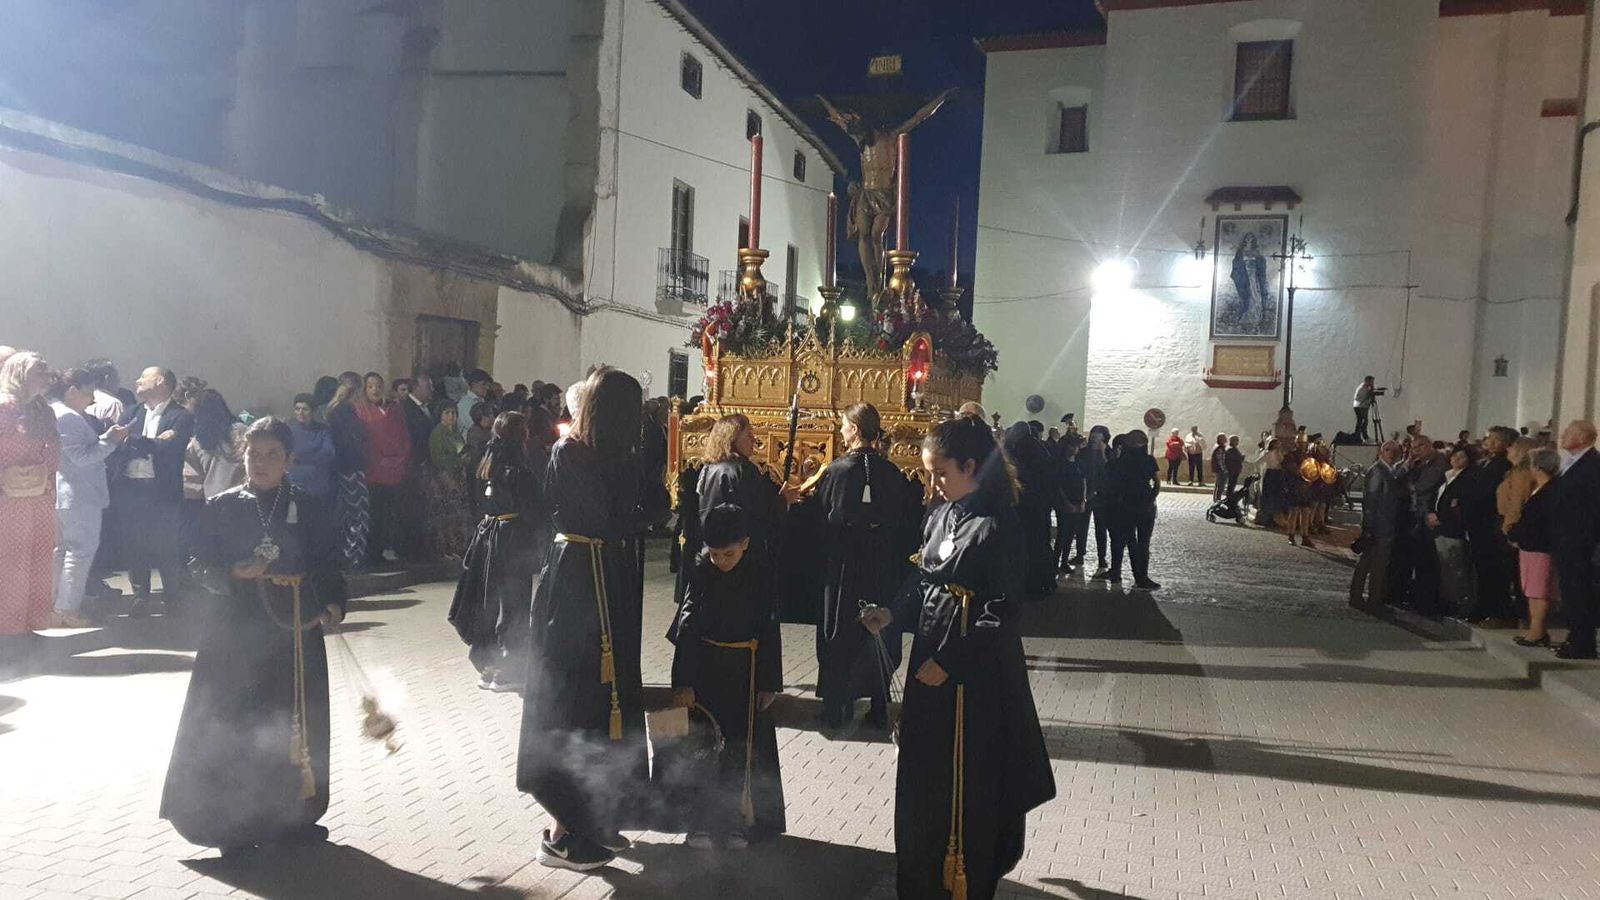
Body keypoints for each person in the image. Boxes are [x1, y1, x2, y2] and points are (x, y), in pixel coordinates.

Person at [881, 415, 1055, 900]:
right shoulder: (940, 514)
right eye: (929, 473)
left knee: (968, 778)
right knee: (924, 772)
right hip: (930, 661)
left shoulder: (1000, 524)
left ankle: (964, 876)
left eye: (941, 472)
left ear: (972, 466)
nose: (933, 484)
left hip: (975, 677)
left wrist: (952, 663)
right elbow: (922, 578)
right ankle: (920, 878)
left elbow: (1003, 611)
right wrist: (890, 614)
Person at [160, 417, 346, 852]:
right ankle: (232, 824)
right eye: (253, 454)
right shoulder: (222, 506)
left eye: (271, 455)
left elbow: (328, 562)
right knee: (238, 723)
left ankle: (290, 818)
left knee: (294, 722)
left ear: (289, 460)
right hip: (236, 634)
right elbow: (195, 565)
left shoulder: (310, 506)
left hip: (294, 629)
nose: (260, 463)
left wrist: (334, 602)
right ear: (241, 457)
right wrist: (231, 573)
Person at [517, 367, 667, 871]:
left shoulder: (617, 456)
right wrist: (645, 508)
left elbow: (641, 509)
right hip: (577, 582)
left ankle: (600, 816)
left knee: (609, 699)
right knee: (575, 699)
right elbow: (607, 518)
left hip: (608, 578)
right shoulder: (570, 453)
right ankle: (567, 831)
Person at [669, 504, 785, 848]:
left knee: (739, 747)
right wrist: (682, 681)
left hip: (746, 670)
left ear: (745, 543)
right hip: (705, 670)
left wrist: (769, 682)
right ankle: (700, 823)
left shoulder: (761, 572)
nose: (721, 561)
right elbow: (687, 625)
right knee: (703, 746)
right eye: (715, 553)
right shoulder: (700, 569)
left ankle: (737, 821)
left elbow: (770, 627)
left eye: (729, 554)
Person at [803, 403, 914, 730]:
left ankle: (837, 706)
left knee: (840, 630)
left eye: (843, 425)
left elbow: (823, 517)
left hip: (843, 566)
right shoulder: (891, 471)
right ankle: (879, 706)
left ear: (854, 429)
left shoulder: (837, 470)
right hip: (881, 563)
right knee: (878, 626)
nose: (840, 430)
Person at [450, 412, 540, 692]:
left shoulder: (487, 465)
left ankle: (488, 663)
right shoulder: (518, 472)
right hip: (512, 543)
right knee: (514, 606)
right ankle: (508, 669)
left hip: (488, 538)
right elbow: (533, 510)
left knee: (489, 601)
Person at [111, 366, 195, 617]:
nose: (137, 381)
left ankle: (171, 596)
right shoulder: (131, 412)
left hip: (162, 491)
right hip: (130, 487)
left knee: (166, 545)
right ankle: (140, 596)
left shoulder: (181, 416)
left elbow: (172, 449)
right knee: (134, 544)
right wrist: (153, 442)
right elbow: (116, 445)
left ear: (159, 381)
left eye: (143, 377)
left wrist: (135, 442)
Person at [51, 368, 130, 627]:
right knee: (80, 552)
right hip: (79, 494)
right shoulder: (69, 417)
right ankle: (66, 609)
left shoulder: (55, 412)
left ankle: (54, 606)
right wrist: (111, 440)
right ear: (72, 391)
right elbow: (82, 457)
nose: (92, 399)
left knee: (62, 552)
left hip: (65, 494)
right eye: (88, 393)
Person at [0, 353, 62, 636]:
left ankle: (31, 623)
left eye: (46, 371)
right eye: (38, 371)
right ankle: (8, 628)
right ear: (18, 373)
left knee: (39, 560)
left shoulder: (43, 410)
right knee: (11, 562)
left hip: (39, 496)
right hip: (7, 498)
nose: (46, 377)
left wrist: (48, 482)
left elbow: (54, 452)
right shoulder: (4, 408)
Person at [1551, 420, 1600, 659]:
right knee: (1570, 590)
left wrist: (1584, 536)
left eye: (1568, 432)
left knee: (1580, 590)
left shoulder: (1593, 465)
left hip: (1580, 539)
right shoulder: (1572, 462)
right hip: (1567, 537)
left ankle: (1583, 642)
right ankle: (1574, 636)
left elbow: (1592, 505)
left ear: (1582, 437)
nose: (1562, 436)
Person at [354, 373, 411, 566]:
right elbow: (363, 442)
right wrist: (378, 461)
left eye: (378, 385)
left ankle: (385, 550)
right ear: (365, 389)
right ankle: (370, 553)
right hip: (373, 472)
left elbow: (404, 437)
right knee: (374, 514)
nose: (375, 390)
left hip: (394, 471)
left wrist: (398, 459)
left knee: (390, 514)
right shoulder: (360, 411)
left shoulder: (395, 409)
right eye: (370, 386)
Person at [1463, 427, 1516, 626]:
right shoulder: (1484, 462)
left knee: (1493, 569)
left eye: (1496, 439)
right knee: (1481, 568)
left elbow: (1488, 491)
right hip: (1477, 522)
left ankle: (1496, 610)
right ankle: (1481, 605)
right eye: (1489, 438)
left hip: (1489, 522)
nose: (1490, 442)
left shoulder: (1503, 465)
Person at [1509, 448, 1562, 647]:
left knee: (1539, 590)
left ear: (1538, 467)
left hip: (1541, 547)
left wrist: (1518, 533)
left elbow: (1540, 521)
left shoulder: (1552, 490)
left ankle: (1537, 631)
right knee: (1531, 590)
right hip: (1530, 546)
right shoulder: (1539, 487)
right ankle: (1535, 629)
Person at [1099, 430, 1161, 590]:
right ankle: (1141, 576)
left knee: (1133, 542)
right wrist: (1150, 499)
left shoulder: (1122, 461)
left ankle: (1139, 576)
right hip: (1140, 505)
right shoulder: (1147, 460)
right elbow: (1157, 483)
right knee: (1141, 543)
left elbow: (1116, 484)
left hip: (1128, 505)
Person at [1002, 422, 1057, 599]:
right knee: (1041, 543)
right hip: (1040, 504)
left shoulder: (1021, 449)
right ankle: (1046, 581)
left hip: (1027, 505)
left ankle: (1032, 584)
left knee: (1030, 545)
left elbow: (1019, 475)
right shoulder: (1040, 448)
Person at [1396, 434, 1448, 613]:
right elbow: (1397, 478)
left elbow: (1422, 486)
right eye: (1414, 447)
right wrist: (1407, 463)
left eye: (1420, 446)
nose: (1416, 450)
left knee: (1427, 561)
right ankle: (1416, 596)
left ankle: (1427, 601)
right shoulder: (1418, 463)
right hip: (1415, 515)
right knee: (1416, 558)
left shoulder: (1439, 462)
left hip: (1429, 516)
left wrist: (1408, 485)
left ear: (1429, 445)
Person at [325, 373, 369, 571]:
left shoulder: (333, 411)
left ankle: (345, 556)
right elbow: (352, 439)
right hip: (351, 468)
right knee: (357, 515)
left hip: (341, 467)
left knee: (345, 514)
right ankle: (353, 557)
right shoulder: (346, 412)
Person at [1350, 441, 1402, 610]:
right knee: (1371, 564)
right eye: (1388, 450)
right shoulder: (1378, 470)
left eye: (1395, 451)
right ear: (1381, 452)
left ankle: (1368, 598)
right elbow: (1370, 500)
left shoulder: (1389, 470)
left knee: (1374, 564)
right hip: (1378, 526)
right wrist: (1368, 526)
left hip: (1383, 525)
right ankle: (1366, 598)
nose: (1391, 453)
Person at [394, 375, 436, 562]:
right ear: (416, 388)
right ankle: (408, 547)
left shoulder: (426, 408)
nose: (431, 390)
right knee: (410, 507)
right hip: (412, 464)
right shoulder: (406, 409)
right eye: (428, 386)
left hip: (423, 464)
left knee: (421, 506)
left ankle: (419, 545)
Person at [1430, 447, 1475, 615]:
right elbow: (1436, 497)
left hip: (1453, 528)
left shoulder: (1467, 479)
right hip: (1438, 528)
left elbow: (1459, 505)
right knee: (1444, 566)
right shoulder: (1446, 476)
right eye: (1455, 455)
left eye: (1462, 456)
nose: (1457, 458)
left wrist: (1441, 516)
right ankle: (1446, 600)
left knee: (1455, 567)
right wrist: (1431, 513)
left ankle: (1457, 603)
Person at [428, 405, 470, 558]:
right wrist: (457, 462)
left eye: (453, 413)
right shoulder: (438, 434)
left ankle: (457, 545)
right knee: (446, 514)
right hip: (444, 478)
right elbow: (438, 458)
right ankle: (445, 547)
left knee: (458, 514)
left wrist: (464, 460)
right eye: (447, 413)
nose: (451, 416)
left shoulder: (456, 434)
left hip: (459, 476)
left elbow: (464, 451)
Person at [287, 394, 336, 500]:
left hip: (317, 486)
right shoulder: (289, 431)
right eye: (297, 409)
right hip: (295, 485)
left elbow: (328, 453)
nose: (301, 413)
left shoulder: (323, 430)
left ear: (313, 411)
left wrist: (300, 457)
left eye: (305, 409)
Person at [1056, 433, 1089, 572]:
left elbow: (1084, 481)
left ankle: (1064, 561)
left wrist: (1083, 500)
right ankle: (1055, 561)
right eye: (1071, 446)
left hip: (1077, 502)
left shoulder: (1079, 463)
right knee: (1062, 533)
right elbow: (1058, 485)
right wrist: (1066, 503)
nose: (1074, 449)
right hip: (1064, 503)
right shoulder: (1060, 464)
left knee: (1070, 534)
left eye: (1076, 446)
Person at [1083, 425, 1112, 575]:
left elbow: (1111, 470)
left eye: (1097, 436)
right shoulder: (1085, 452)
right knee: (1082, 526)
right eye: (1093, 436)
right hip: (1086, 493)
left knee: (1101, 528)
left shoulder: (1109, 452)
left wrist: (1102, 453)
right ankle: (1080, 554)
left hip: (1102, 496)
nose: (1094, 438)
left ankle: (1102, 557)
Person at [82, 358, 126, 427]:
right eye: (116, 376)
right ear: (107, 378)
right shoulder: (113, 404)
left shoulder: (81, 400)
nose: (119, 380)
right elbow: (118, 431)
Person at [456, 368, 493, 437]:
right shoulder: (464, 404)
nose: (487, 388)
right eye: (483, 384)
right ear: (473, 384)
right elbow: (474, 425)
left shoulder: (483, 401)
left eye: (488, 385)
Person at [1353, 376, 1377, 442]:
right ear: (1367, 381)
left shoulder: (1366, 387)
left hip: (1361, 406)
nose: (1372, 383)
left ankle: (1361, 436)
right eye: (1371, 381)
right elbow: (1367, 396)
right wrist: (1371, 390)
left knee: (1363, 421)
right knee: (1362, 421)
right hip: (1360, 406)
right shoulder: (1363, 387)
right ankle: (1360, 436)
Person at [1224, 435, 1245, 503]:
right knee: (1231, 484)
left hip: (1235, 469)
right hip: (1232, 469)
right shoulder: (1230, 449)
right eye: (1236, 440)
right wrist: (1241, 457)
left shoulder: (1234, 449)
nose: (1237, 442)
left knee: (1233, 484)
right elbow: (1233, 458)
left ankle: (1230, 498)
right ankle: (1229, 498)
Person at [1210, 433, 1229, 503]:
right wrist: (1224, 470)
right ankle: (1217, 499)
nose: (1226, 439)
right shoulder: (1220, 448)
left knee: (1218, 485)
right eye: (1224, 438)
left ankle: (1216, 499)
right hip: (1220, 470)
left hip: (1218, 470)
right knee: (1220, 486)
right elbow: (1220, 460)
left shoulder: (1218, 447)